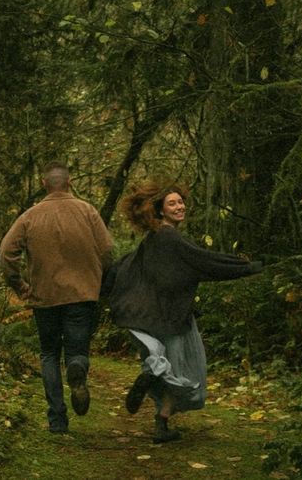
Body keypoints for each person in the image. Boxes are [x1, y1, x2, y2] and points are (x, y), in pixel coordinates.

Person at [102, 182, 263, 444]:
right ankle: (156, 385)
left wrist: (105, 291)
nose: (180, 207)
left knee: (169, 368)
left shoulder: (152, 239)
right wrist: (246, 267)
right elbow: (205, 262)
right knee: (186, 373)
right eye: (173, 204)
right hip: (172, 318)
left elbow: (126, 267)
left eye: (181, 202)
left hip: (149, 317)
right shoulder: (171, 238)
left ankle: (160, 416)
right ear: (161, 211)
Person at [0, 162, 112, 434]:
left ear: (43, 183)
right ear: (70, 182)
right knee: (77, 350)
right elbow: (107, 251)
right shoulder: (87, 211)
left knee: (49, 354)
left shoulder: (30, 216)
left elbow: (6, 253)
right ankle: (76, 367)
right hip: (82, 295)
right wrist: (100, 282)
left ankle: (57, 420)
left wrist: (19, 284)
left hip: (44, 297)